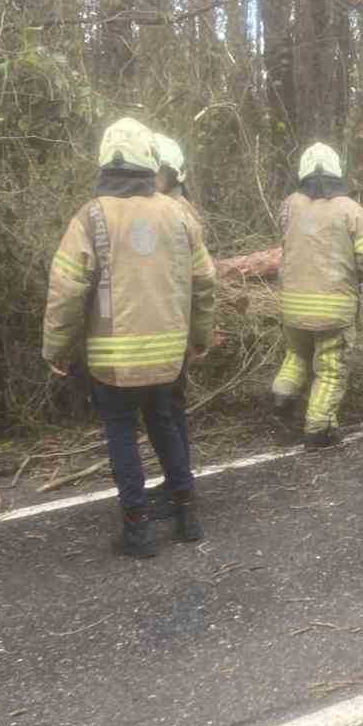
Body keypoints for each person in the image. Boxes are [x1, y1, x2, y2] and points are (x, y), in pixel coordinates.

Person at [42, 119, 216, 557]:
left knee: (121, 434)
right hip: (167, 356)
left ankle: (137, 529)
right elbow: (204, 282)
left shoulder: (91, 216)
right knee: (164, 425)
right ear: (148, 162)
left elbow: (66, 289)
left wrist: (56, 349)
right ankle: (187, 514)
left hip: (112, 361)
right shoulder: (178, 214)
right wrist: (199, 337)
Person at [271, 142, 363, 448]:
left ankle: (282, 395)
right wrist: (357, 275)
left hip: (292, 305)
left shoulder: (290, 204)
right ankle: (319, 430)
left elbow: (285, 240)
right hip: (334, 306)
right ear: (336, 171)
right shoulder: (351, 209)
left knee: (297, 355)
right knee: (331, 369)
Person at [149, 132, 214, 528]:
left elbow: (198, 279)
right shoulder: (171, 207)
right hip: (170, 323)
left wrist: (198, 333)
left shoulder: (177, 211)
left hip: (171, 325)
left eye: (158, 170)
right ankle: (178, 479)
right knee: (168, 409)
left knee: (166, 410)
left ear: (174, 174)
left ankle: (180, 488)